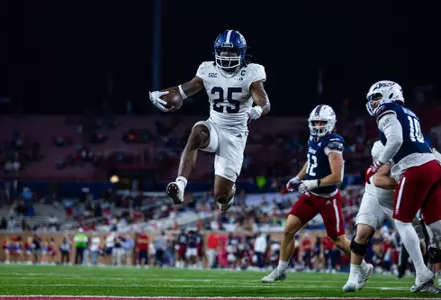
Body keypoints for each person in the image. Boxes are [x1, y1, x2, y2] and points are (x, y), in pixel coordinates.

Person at [149, 29, 270, 212]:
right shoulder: (207, 69)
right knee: (197, 133)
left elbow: (264, 101)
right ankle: (180, 184)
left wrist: (258, 109)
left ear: (241, 53)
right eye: (223, 51)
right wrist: (164, 93)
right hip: (214, 126)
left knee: (221, 197)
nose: (226, 55)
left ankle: (229, 195)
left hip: (235, 136)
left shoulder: (252, 72)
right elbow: (185, 89)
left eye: (231, 52)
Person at [262, 104, 372, 283]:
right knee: (288, 230)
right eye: (315, 122)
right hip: (311, 195)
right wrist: (297, 178)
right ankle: (281, 270)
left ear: (331, 123)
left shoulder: (333, 142)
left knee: (338, 240)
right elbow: (310, 161)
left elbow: (337, 177)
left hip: (327, 198)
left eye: (322, 122)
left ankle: (364, 266)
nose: (318, 125)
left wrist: (311, 183)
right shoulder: (313, 138)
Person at [364, 80, 441, 292]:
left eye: (378, 97)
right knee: (436, 226)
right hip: (432, 166)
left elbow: (396, 140)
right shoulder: (409, 113)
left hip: (415, 166)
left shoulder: (388, 110)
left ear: (390, 95)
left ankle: (422, 274)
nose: (375, 103)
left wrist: (377, 164)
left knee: (401, 220)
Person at [343, 141, 440, 294]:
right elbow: (378, 180)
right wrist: (409, 182)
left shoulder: (418, 147)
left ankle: (424, 280)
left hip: (402, 196)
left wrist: (415, 183)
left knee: (419, 242)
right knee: (362, 232)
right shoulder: (387, 144)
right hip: (376, 194)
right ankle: (355, 275)